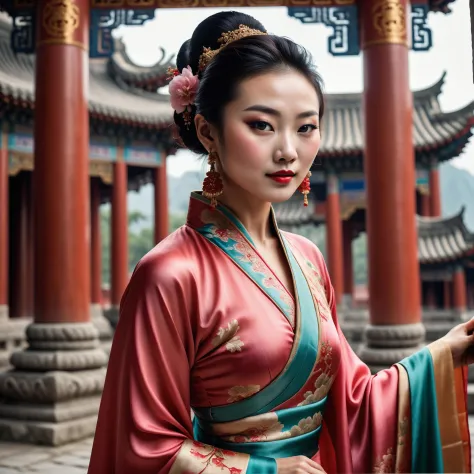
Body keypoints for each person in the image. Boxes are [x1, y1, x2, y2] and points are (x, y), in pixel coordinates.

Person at [87, 11, 473, 474]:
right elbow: (143, 446)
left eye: (306, 127)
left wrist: (444, 352)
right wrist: (262, 471)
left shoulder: (307, 258)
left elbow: (354, 399)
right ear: (209, 130)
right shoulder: (168, 273)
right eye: (262, 125)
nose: (289, 149)